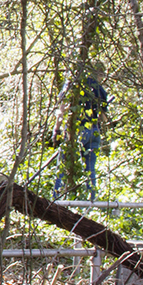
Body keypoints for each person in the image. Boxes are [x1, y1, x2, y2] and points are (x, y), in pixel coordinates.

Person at [54, 69, 110, 200]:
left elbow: (61, 110)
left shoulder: (71, 85)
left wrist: (57, 129)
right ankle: (91, 201)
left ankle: (56, 200)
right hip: (94, 130)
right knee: (90, 168)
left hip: (77, 130)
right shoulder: (99, 89)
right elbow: (103, 117)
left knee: (62, 166)